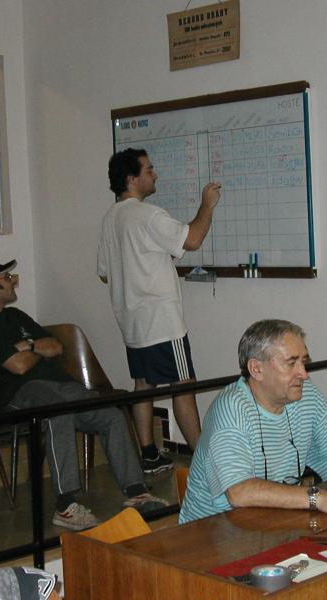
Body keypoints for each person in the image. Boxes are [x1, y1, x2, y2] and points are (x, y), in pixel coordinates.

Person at [0, 258, 165, 531]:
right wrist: (34, 351)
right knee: (57, 412)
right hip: (16, 393)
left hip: (60, 385)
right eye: (7, 278)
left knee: (111, 415)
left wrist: (27, 345)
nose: (13, 282)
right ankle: (65, 504)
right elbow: (18, 367)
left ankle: (137, 492)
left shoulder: (16, 317)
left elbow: (55, 347)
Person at [179, 319, 327, 524]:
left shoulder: (305, 395)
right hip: (211, 532)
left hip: (272, 522)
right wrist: (318, 498)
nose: (303, 374)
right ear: (256, 369)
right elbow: (239, 492)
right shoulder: (231, 409)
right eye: (291, 363)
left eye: (303, 362)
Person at [97, 148, 222, 473]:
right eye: (149, 169)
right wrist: (207, 205)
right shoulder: (146, 215)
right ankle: (203, 463)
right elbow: (192, 239)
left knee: (144, 384)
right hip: (161, 321)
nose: (155, 175)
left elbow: (104, 273)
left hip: (132, 323)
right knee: (184, 384)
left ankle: (149, 454)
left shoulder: (111, 218)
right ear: (132, 178)